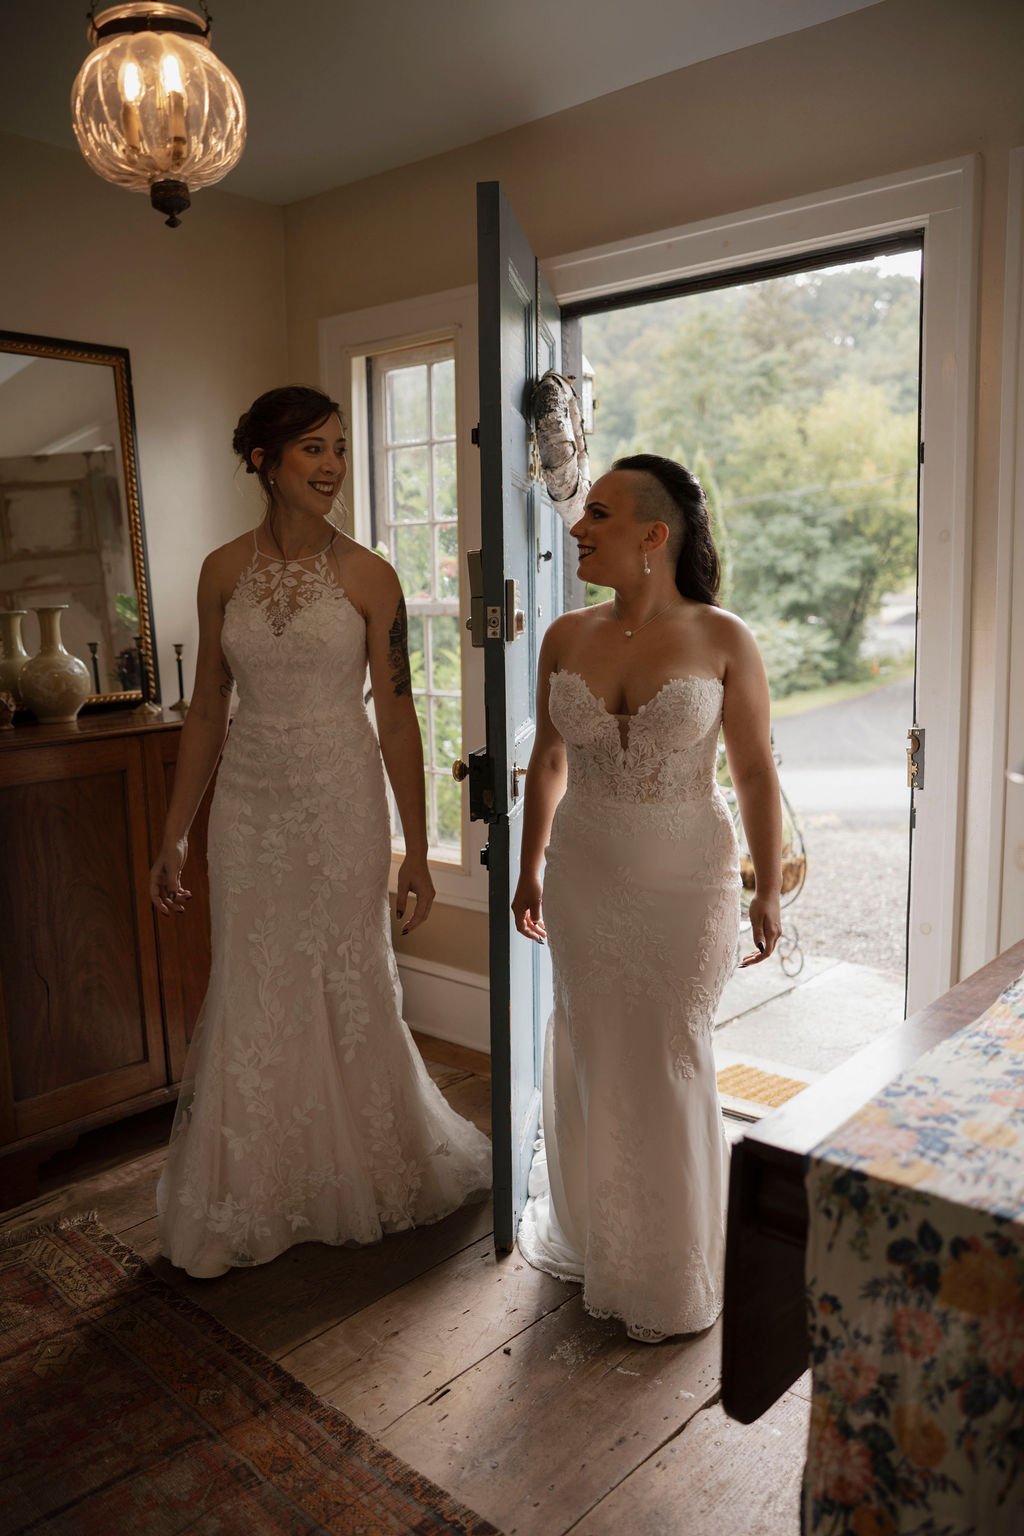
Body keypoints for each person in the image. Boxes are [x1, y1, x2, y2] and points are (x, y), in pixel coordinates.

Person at [151, 385, 491, 1278]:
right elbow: (207, 709)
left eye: (339, 447)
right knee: (254, 976)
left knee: (349, 971)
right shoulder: (221, 571)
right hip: (248, 801)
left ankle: (368, 1168)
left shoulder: (371, 577)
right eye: (313, 448)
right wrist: (175, 832)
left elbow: (400, 718)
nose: (334, 464)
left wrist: (418, 850)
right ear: (263, 460)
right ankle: (253, 1188)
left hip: (341, 796)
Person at [512, 453, 781, 1342]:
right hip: (584, 872)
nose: (577, 528)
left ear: (653, 535)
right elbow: (549, 762)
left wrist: (766, 889)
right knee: (592, 1044)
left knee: (670, 1051)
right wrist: (528, 868)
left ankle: (674, 1265)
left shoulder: (723, 637)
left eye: (598, 514)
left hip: (686, 878)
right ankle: (602, 1239)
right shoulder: (564, 636)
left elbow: (754, 771)